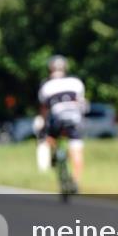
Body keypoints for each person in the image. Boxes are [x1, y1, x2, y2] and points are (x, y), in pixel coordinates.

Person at [36, 55, 87, 190]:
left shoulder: (46, 85)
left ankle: (55, 156)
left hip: (57, 120)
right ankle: (75, 181)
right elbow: (82, 104)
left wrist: (43, 128)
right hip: (75, 119)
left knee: (48, 136)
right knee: (77, 150)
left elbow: (44, 109)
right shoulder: (76, 82)